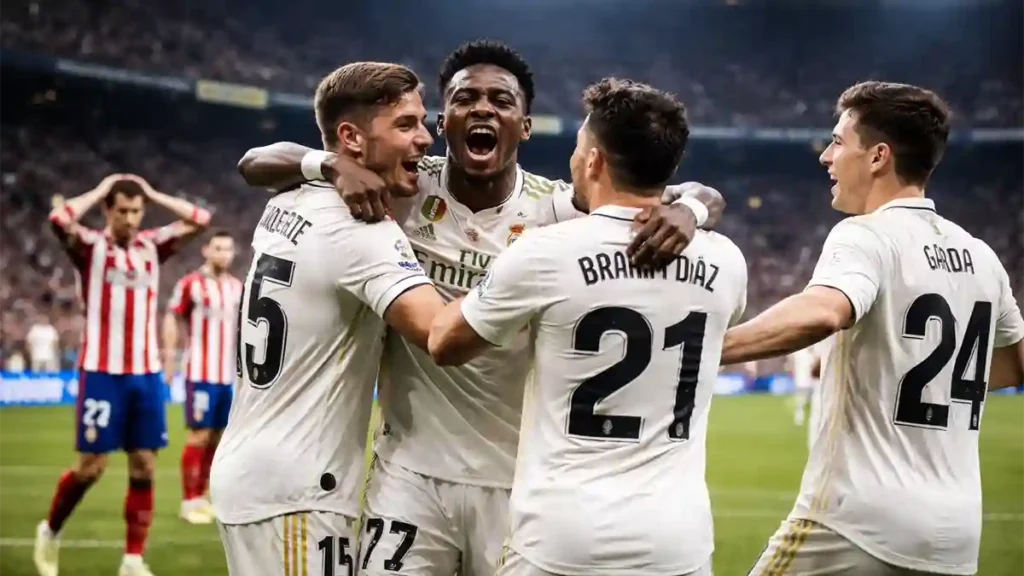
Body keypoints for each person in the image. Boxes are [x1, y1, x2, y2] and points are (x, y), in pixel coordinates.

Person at [237, 40, 725, 576]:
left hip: (513, 479)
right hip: (409, 477)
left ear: (525, 125)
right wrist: (328, 164)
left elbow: (673, 190)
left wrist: (695, 209)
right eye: (466, 98)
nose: (484, 108)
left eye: (501, 99)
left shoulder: (556, 209)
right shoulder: (400, 186)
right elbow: (257, 162)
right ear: (443, 122)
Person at [427, 77, 747, 576]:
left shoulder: (544, 253)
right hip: (676, 541)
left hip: (562, 538)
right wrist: (696, 207)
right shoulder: (728, 261)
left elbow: (445, 343)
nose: (574, 161)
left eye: (579, 147)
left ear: (594, 160)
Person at [720, 81, 1024, 576]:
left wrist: (707, 348)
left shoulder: (865, 235)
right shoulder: (981, 255)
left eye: (838, 141)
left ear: (879, 156)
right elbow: (1013, 364)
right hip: (955, 533)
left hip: (854, 521)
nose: (826, 157)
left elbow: (823, 311)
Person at [209, 61, 451, 576]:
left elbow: (254, 161)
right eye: (406, 125)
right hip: (299, 491)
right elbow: (438, 333)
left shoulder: (290, 196)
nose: (426, 138)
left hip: (258, 470)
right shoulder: (362, 228)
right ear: (351, 138)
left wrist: (330, 165)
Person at [36, 173, 210, 576]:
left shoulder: (153, 246)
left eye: (136, 211)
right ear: (108, 212)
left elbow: (200, 218)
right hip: (101, 371)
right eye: (123, 211)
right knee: (91, 467)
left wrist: (151, 192)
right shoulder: (90, 248)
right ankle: (51, 529)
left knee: (144, 465)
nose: (130, 219)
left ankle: (133, 559)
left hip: (145, 374)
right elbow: (59, 220)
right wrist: (100, 188)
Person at [161, 230, 242, 525]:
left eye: (228, 249)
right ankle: (188, 500)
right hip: (200, 372)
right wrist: (170, 359)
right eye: (218, 248)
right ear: (206, 250)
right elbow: (172, 316)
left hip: (227, 375)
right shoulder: (191, 284)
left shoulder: (237, 287)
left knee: (218, 438)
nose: (223, 254)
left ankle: (203, 495)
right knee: (199, 434)